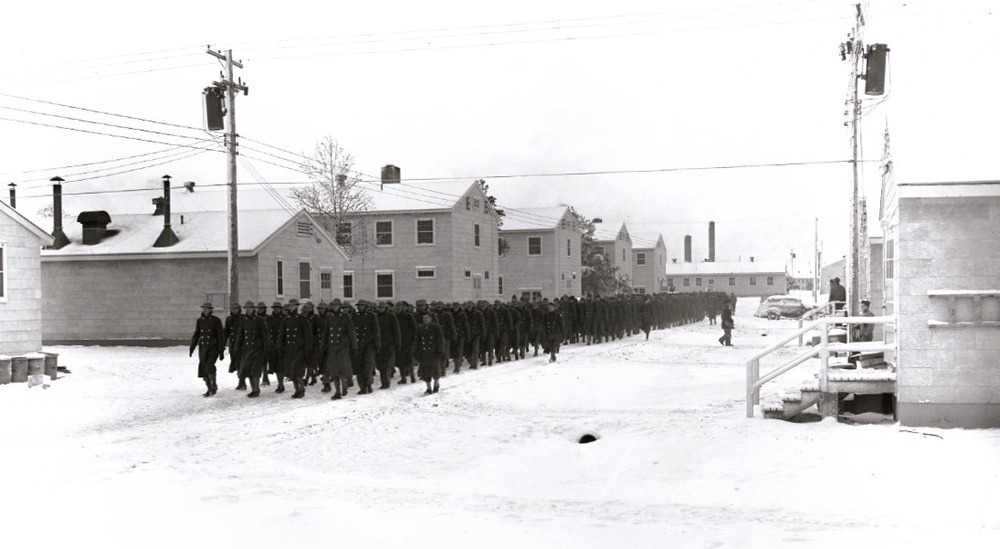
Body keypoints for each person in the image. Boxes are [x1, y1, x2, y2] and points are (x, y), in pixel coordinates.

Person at [235, 300, 271, 398]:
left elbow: (265, 335)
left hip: (258, 349)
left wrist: (267, 349)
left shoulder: (259, 320)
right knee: (248, 370)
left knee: (255, 370)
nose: (248, 310)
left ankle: (256, 389)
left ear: (253, 309)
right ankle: (253, 389)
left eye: (250, 308)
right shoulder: (244, 320)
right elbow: (240, 334)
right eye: (246, 308)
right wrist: (237, 347)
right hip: (247, 349)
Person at [189, 302, 225, 397]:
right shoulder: (200, 321)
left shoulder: (216, 320)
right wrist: (192, 347)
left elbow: (220, 335)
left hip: (213, 348)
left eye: (207, 308)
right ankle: (209, 389)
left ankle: (213, 384)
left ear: (211, 310)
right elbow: (197, 334)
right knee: (203, 369)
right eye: (204, 308)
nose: (205, 310)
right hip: (203, 348)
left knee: (209, 367)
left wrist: (221, 350)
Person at [415, 312, 445, 394]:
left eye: (427, 318)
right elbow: (417, 341)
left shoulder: (436, 327)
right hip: (424, 353)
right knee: (425, 372)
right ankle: (428, 388)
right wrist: (415, 352)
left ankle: (436, 383)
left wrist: (440, 350)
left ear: (431, 319)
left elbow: (440, 340)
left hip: (434, 352)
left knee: (435, 370)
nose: (425, 320)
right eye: (424, 318)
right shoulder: (420, 329)